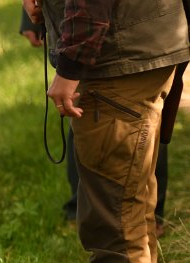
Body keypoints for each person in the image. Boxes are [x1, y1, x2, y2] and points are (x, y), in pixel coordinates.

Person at [23, 0, 189, 263]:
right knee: (131, 211)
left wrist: (71, 67)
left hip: (114, 59)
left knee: (114, 223)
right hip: (135, 46)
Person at [19, 7, 172, 235]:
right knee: (127, 217)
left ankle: (145, 217)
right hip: (131, 42)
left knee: (117, 226)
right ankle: (87, 207)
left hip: (117, 51)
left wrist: (70, 68)